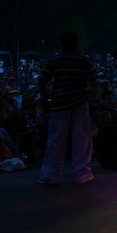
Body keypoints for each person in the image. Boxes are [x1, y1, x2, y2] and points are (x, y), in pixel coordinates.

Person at [37, 31, 98, 185]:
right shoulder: (84, 61)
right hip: (80, 103)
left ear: (62, 44)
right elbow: (94, 82)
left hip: (59, 103)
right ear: (77, 43)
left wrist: (45, 100)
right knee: (82, 138)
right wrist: (93, 102)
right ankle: (82, 173)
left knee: (56, 139)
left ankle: (51, 174)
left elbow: (41, 80)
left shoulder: (54, 61)